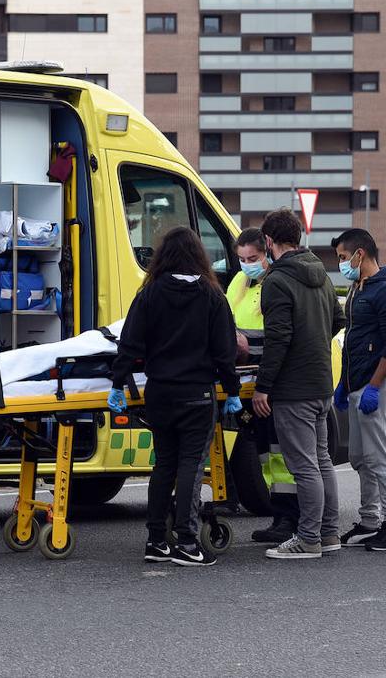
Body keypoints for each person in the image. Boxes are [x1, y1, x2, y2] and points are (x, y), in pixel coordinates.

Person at [108, 227, 243, 567]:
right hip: (196, 394)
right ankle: (186, 540)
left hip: (159, 394)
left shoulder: (150, 294)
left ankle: (156, 540)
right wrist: (232, 392)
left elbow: (130, 343)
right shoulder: (212, 296)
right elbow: (224, 352)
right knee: (190, 468)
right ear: (199, 255)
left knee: (164, 465)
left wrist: (117, 385)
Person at [252, 207, 346, 560]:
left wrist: (264, 386)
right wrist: (313, 342)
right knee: (321, 461)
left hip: (293, 389)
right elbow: (338, 319)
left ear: (269, 241)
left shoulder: (277, 281)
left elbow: (278, 339)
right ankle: (329, 533)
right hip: (321, 383)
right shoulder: (320, 273)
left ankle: (308, 539)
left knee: (304, 465)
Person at [332, 229, 386, 551]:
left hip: (376, 383)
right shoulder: (357, 288)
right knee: (359, 457)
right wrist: (342, 384)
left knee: (378, 456)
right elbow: (353, 340)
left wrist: (374, 387)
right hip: (356, 383)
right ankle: (369, 520)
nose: (340, 264)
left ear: (359, 254)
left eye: (341, 257)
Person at [226, 227, 300, 544]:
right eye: (241, 259)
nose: (246, 264)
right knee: (264, 453)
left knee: (280, 452)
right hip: (246, 379)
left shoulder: (275, 284)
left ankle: (290, 516)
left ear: (266, 253)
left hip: (270, 380)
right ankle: (279, 514)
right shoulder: (239, 283)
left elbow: (279, 337)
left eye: (252, 258)